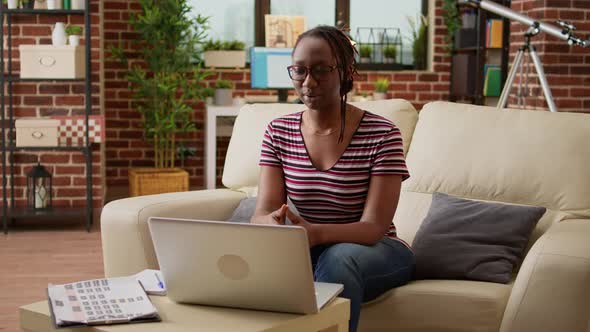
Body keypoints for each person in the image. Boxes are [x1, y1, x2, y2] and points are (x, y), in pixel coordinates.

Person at [251, 25, 414, 332]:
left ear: (346, 71)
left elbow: (373, 228)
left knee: (338, 258)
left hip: (376, 250)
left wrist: (316, 234)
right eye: (299, 71)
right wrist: (271, 223)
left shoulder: (383, 134)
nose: (308, 82)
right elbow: (261, 213)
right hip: (305, 245)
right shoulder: (278, 131)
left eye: (321, 70)